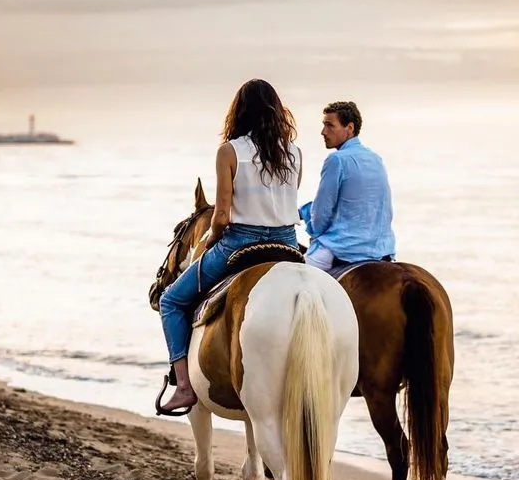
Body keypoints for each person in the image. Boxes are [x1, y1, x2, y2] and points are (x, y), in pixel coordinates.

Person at [156, 79, 302, 416]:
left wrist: (209, 239)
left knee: (171, 300)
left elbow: (221, 214)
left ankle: (182, 387)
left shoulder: (229, 151)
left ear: (238, 112)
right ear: (278, 112)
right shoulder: (295, 153)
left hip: (242, 242)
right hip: (288, 245)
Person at [299, 100, 395, 271]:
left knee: (295, 278)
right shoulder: (375, 158)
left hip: (345, 249)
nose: (323, 132)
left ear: (349, 128)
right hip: (381, 249)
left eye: (330, 125)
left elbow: (321, 214)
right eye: (324, 125)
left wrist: (309, 223)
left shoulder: (336, 160)